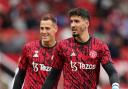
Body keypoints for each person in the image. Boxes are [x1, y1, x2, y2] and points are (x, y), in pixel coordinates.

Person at [42, 8, 120, 89]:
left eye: (76, 21)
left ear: (86, 23)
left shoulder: (100, 46)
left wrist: (115, 87)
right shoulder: (62, 46)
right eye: (71, 22)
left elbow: (112, 72)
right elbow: (52, 76)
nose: (73, 25)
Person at [12, 14, 58, 89]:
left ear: (55, 28)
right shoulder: (29, 48)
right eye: (42, 28)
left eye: (47, 28)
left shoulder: (61, 51)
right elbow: (20, 75)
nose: (44, 31)